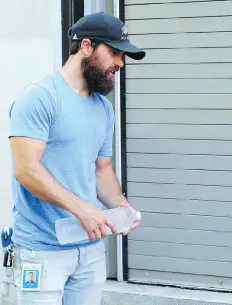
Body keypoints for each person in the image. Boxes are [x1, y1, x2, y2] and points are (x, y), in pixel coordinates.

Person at [8, 12, 145, 305]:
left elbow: (102, 170)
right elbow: (26, 169)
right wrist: (82, 209)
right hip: (42, 249)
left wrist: (120, 205)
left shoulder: (103, 109)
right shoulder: (40, 98)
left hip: (90, 249)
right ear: (85, 46)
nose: (120, 63)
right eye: (114, 53)